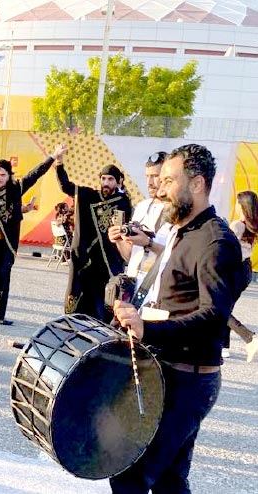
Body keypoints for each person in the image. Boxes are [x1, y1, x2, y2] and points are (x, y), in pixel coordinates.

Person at [113, 144, 245, 493]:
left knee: (129, 474)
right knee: (169, 481)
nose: (160, 189)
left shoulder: (215, 241)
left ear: (197, 184)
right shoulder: (181, 232)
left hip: (187, 381)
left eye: (170, 181)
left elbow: (214, 317)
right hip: (168, 371)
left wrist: (148, 328)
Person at [0, 144, 66, 363]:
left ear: (9, 176)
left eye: (2, 174)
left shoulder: (15, 190)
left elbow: (34, 175)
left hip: (1, 256)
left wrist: (52, 157)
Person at [56, 160, 132, 321]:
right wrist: (59, 164)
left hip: (107, 261)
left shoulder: (123, 202)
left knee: (102, 308)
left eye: (110, 179)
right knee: (78, 303)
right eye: (103, 178)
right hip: (85, 258)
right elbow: (66, 186)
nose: (106, 182)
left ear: (118, 181)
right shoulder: (89, 195)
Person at [111, 152, 170, 289]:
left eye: (155, 176)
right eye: (147, 176)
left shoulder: (179, 212)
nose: (149, 182)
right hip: (134, 287)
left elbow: (178, 260)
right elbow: (131, 256)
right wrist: (118, 239)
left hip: (159, 289)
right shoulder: (142, 207)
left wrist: (148, 243)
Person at [223, 190, 258, 361]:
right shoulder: (253, 225)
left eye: (237, 203)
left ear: (242, 206)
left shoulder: (237, 225)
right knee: (226, 307)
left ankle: (250, 338)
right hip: (246, 270)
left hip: (233, 269)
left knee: (220, 307)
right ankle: (224, 347)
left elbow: (226, 249)